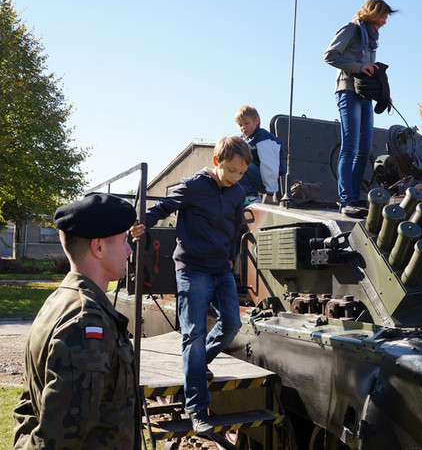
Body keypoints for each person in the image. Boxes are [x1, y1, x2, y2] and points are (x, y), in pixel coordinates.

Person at [130, 136, 251, 434]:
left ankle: (195, 367)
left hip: (221, 267)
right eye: (232, 171)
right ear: (216, 162)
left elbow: (236, 227)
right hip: (192, 268)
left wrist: (233, 256)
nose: (236, 177)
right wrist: (140, 222)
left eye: (241, 173)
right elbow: (163, 208)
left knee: (232, 324)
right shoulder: (193, 186)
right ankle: (197, 407)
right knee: (194, 334)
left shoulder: (237, 192)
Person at [13, 193, 140, 449]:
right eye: (125, 241)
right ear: (99, 247)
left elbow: (28, 408)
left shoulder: (58, 301)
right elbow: (57, 439)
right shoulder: (85, 322)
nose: (129, 250)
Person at [324, 0, 397, 218]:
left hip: (364, 94)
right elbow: (329, 55)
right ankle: (346, 200)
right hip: (347, 90)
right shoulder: (351, 29)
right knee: (350, 147)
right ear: (373, 12)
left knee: (364, 149)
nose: (385, 21)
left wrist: (383, 93)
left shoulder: (372, 36)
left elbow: (369, 69)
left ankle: (355, 198)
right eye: (383, 15)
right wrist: (359, 66)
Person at [234, 105, 285, 204]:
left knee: (243, 165)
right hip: (253, 178)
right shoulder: (245, 139)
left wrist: (270, 194)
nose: (243, 128)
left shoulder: (263, 138)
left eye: (246, 123)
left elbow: (269, 165)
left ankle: (252, 196)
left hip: (266, 180)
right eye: (240, 125)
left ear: (256, 121)